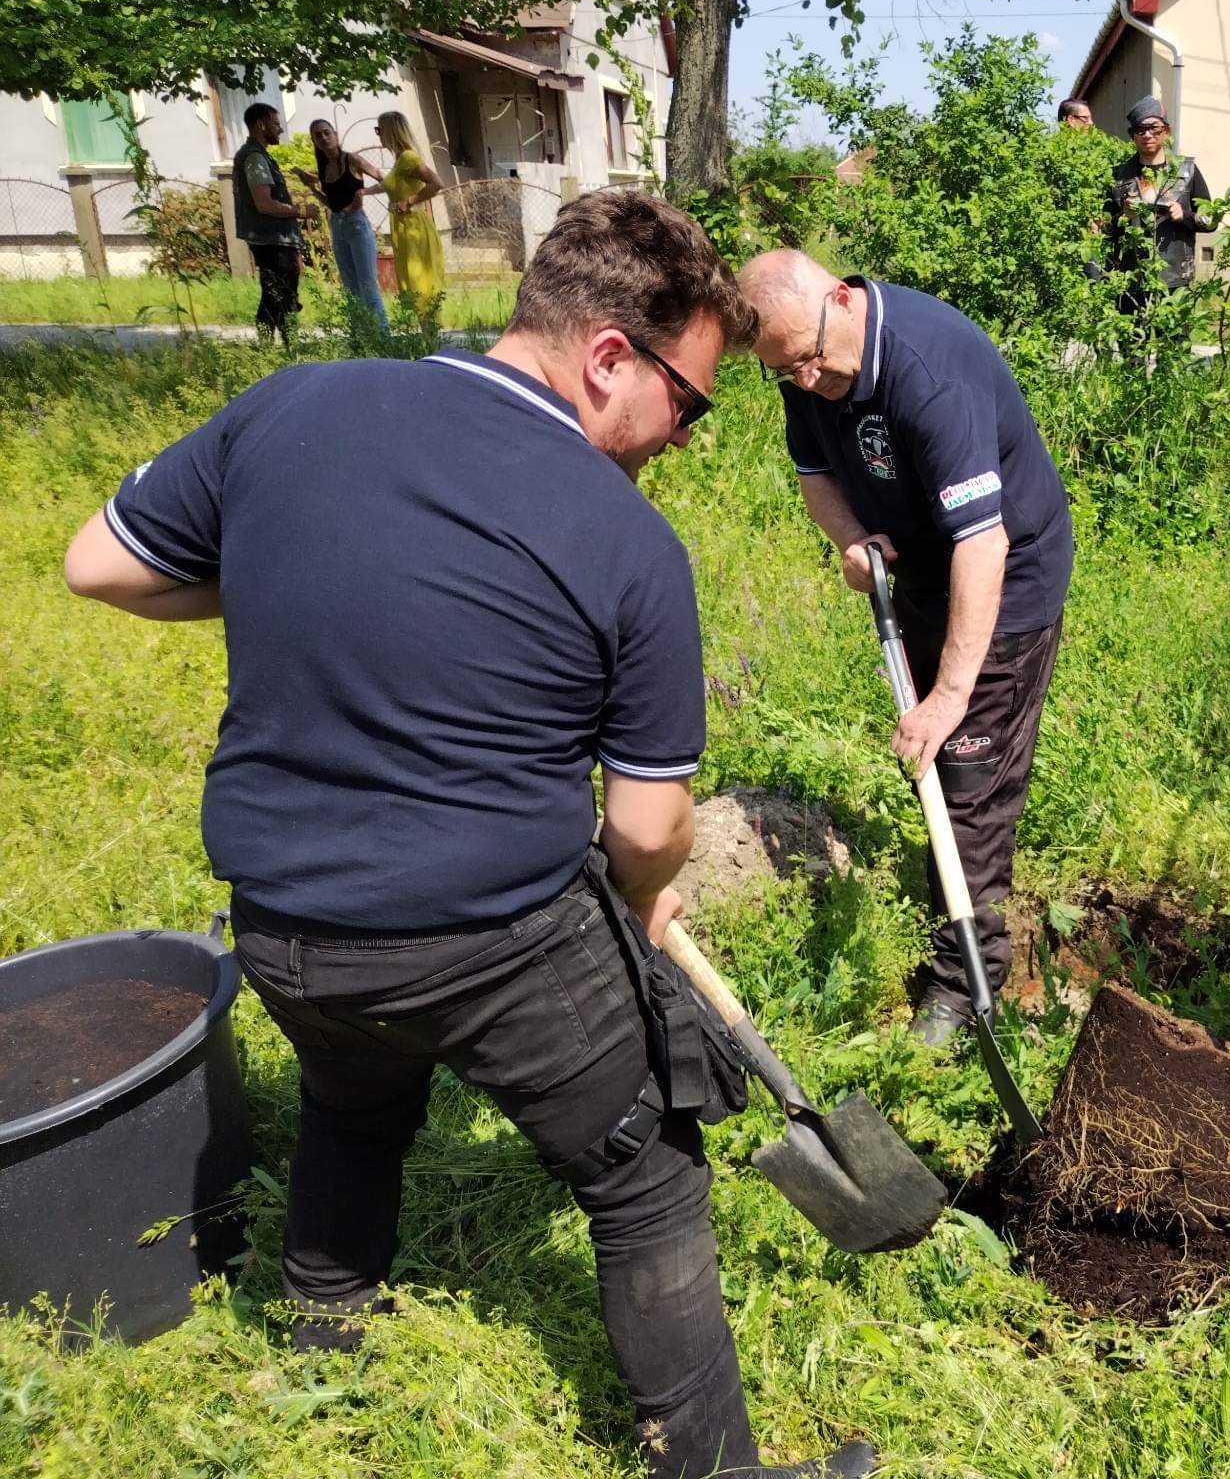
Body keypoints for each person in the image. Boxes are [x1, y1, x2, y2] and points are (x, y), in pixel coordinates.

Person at [62, 190, 874, 1479]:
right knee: (646, 1175)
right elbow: (644, 822)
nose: (684, 438)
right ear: (607, 357)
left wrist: (304, 572)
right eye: (688, 404)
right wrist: (647, 891)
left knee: (352, 1102)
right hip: (489, 943)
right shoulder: (625, 541)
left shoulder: (293, 406)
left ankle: (322, 1352)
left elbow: (98, 564)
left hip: (282, 933)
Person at [735, 250, 1074, 1048]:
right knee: (940, 766)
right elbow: (815, 470)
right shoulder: (804, 362)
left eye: (811, 360)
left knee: (969, 784)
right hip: (920, 572)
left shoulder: (930, 372)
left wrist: (950, 698)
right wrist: (851, 538)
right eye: (785, 372)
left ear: (842, 299)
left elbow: (983, 544)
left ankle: (966, 985)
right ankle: (954, 929)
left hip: (1003, 581)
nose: (805, 381)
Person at [1105, 95, 1217, 315]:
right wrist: (1123, 217)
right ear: (1132, 135)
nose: (1147, 135)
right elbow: (1102, 228)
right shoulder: (1118, 177)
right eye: (1140, 129)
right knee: (1132, 337)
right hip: (1131, 281)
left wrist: (1184, 216)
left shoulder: (1187, 171)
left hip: (1175, 279)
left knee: (1175, 337)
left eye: (1154, 128)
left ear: (1166, 131)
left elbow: (1211, 220)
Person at [231, 102, 319, 343]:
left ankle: (275, 344)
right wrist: (301, 211)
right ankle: (280, 345)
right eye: (276, 124)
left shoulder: (257, 156)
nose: (280, 129)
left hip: (270, 238)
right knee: (279, 294)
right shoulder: (255, 158)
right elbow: (265, 204)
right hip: (271, 240)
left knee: (277, 293)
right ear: (260, 125)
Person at [294, 118, 389, 329]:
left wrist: (363, 192)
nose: (323, 138)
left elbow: (386, 182)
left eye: (326, 132)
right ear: (314, 141)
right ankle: (359, 337)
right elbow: (332, 203)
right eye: (318, 135)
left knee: (367, 286)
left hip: (357, 224)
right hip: (337, 225)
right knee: (350, 287)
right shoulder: (324, 168)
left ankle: (382, 338)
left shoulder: (352, 160)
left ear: (335, 135)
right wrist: (312, 188)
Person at [376, 111, 446, 307]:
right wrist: (363, 192)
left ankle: (429, 325)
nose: (378, 135)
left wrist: (409, 202)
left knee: (420, 284)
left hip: (414, 226)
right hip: (403, 228)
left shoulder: (408, 158)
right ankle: (424, 325)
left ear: (391, 131)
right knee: (411, 284)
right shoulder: (400, 160)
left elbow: (437, 183)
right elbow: (389, 185)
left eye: (379, 130)